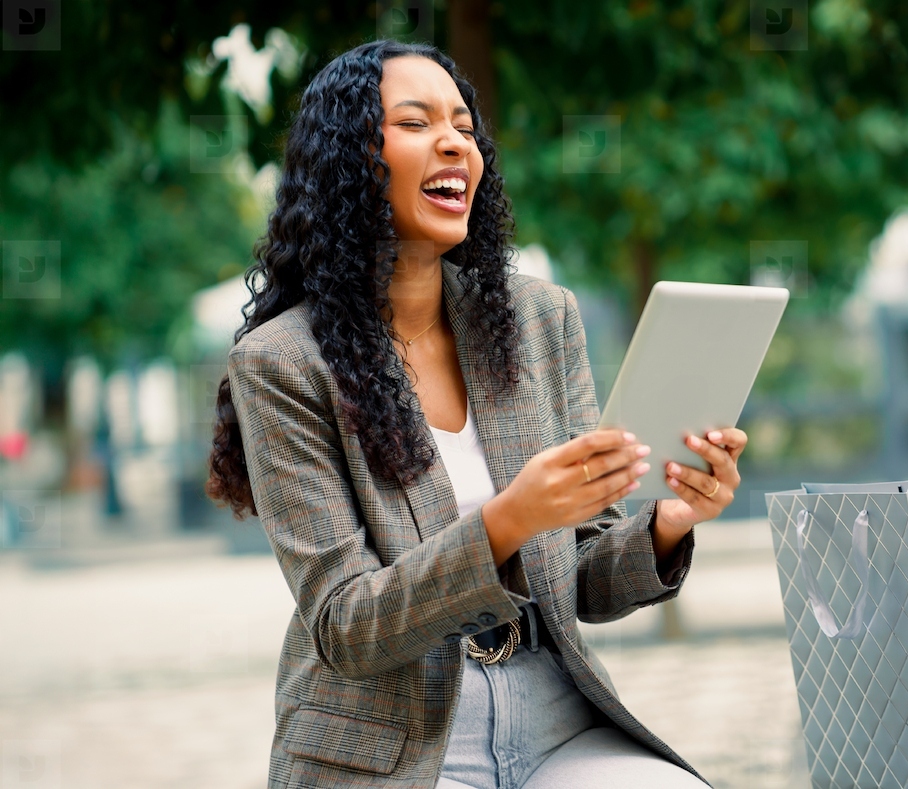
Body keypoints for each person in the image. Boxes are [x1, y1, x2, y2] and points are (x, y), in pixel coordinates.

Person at [206, 39, 748, 789]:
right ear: (349, 161)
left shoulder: (537, 320)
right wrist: (507, 522)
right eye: (417, 122)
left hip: (555, 714)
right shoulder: (283, 363)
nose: (455, 141)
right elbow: (345, 624)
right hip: (398, 738)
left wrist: (666, 524)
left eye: (464, 125)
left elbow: (583, 572)